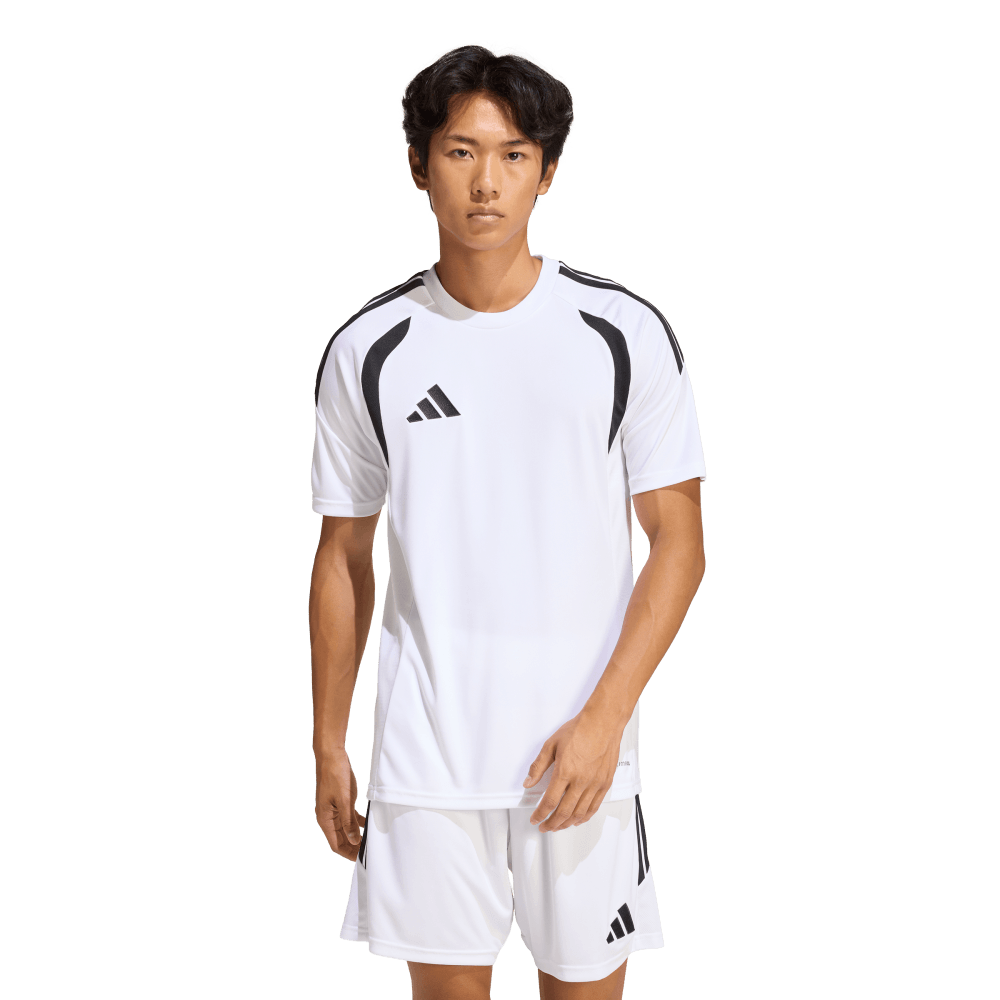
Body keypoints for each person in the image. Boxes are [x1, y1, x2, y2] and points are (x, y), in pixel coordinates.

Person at [308, 41, 707, 1000]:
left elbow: (680, 541)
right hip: (427, 756)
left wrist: (604, 721)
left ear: (547, 171)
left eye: (514, 154)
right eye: (460, 152)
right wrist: (327, 741)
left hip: (581, 753)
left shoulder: (622, 333)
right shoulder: (369, 348)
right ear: (420, 167)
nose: (486, 182)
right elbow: (344, 556)